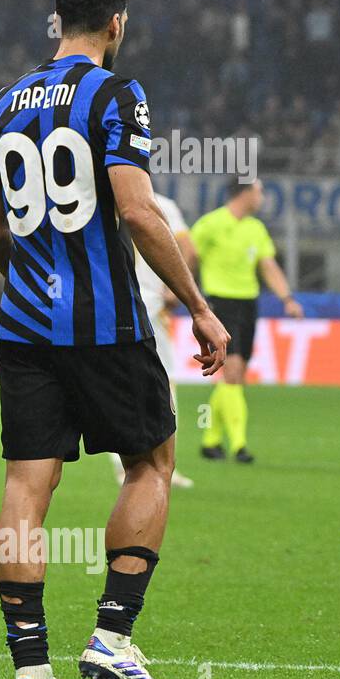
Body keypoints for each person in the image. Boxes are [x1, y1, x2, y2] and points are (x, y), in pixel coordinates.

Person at [0, 0, 228, 679]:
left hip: (23, 325)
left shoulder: (2, 103)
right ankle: (113, 638)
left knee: (28, 482)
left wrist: (33, 280)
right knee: (150, 461)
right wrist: (200, 308)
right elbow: (140, 212)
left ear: (58, 21)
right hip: (105, 321)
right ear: (116, 24)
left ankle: (30, 670)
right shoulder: (118, 94)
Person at [191, 180, 304, 463]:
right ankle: (239, 444)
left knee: (236, 375)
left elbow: (268, 266)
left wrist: (287, 298)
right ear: (244, 193)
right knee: (233, 370)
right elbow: (187, 256)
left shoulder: (256, 228)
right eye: (259, 190)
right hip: (219, 302)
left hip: (247, 305)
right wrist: (179, 291)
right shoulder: (210, 224)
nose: (262, 196)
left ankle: (211, 441)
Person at [109, 192, 197, 489]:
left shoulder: (96, 198)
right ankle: (162, 464)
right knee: (163, 381)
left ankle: (125, 467)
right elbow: (189, 249)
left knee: (114, 383)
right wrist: (177, 289)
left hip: (106, 305)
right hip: (149, 305)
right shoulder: (159, 203)